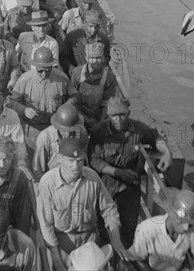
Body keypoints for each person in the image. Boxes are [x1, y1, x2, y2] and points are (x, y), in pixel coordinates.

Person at [90, 96, 173, 247]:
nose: (118, 119)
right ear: (108, 115)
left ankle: (127, 258)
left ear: (128, 113)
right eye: (114, 115)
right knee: (104, 229)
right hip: (105, 187)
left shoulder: (138, 130)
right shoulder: (99, 132)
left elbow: (155, 137)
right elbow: (94, 160)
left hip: (129, 187)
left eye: (122, 114)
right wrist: (117, 172)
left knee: (129, 228)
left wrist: (167, 152)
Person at [37, 137, 127, 271]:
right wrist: (56, 259)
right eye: (71, 161)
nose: (76, 166)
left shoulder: (93, 178)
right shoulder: (47, 184)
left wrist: (116, 238)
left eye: (80, 160)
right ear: (60, 158)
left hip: (89, 240)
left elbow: (109, 209)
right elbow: (46, 226)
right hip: (62, 242)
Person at [9, 47, 74, 152]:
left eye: (48, 71)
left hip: (54, 129)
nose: (44, 74)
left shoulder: (62, 79)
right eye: (40, 71)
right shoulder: (24, 80)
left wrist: (65, 109)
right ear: (35, 66)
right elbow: (11, 101)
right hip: (31, 130)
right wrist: (24, 110)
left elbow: (74, 96)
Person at [127, 189, 194, 271]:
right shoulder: (146, 231)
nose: (186, 228)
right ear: (171, 212)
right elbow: (136, 259)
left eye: (190, 225)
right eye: (182, 222)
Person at [33, 103, 88, 183]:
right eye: (65, 130)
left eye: (72, 130)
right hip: (53, 182)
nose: (69, 134)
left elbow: (83, 159)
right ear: (57, 126)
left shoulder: (82, 132)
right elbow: (38, 171)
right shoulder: (45, 138)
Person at [69, 42, 120, 129]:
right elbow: (72, 97)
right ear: (86, 58)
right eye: (92, 58)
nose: (95, 61)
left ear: (103, 58)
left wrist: (98, 126)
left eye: (98, 58)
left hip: (98, 118)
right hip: (78, 117)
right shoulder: (77, 73)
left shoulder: (110, 77)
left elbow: (106, 104)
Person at [59, 8, 110, 76]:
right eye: (90, 26)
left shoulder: (104, 40)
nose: (93, 30)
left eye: (97, 27)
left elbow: (106, 58)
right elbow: (63, 58)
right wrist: (74, 71)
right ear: (84, 23)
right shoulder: (71, 37)